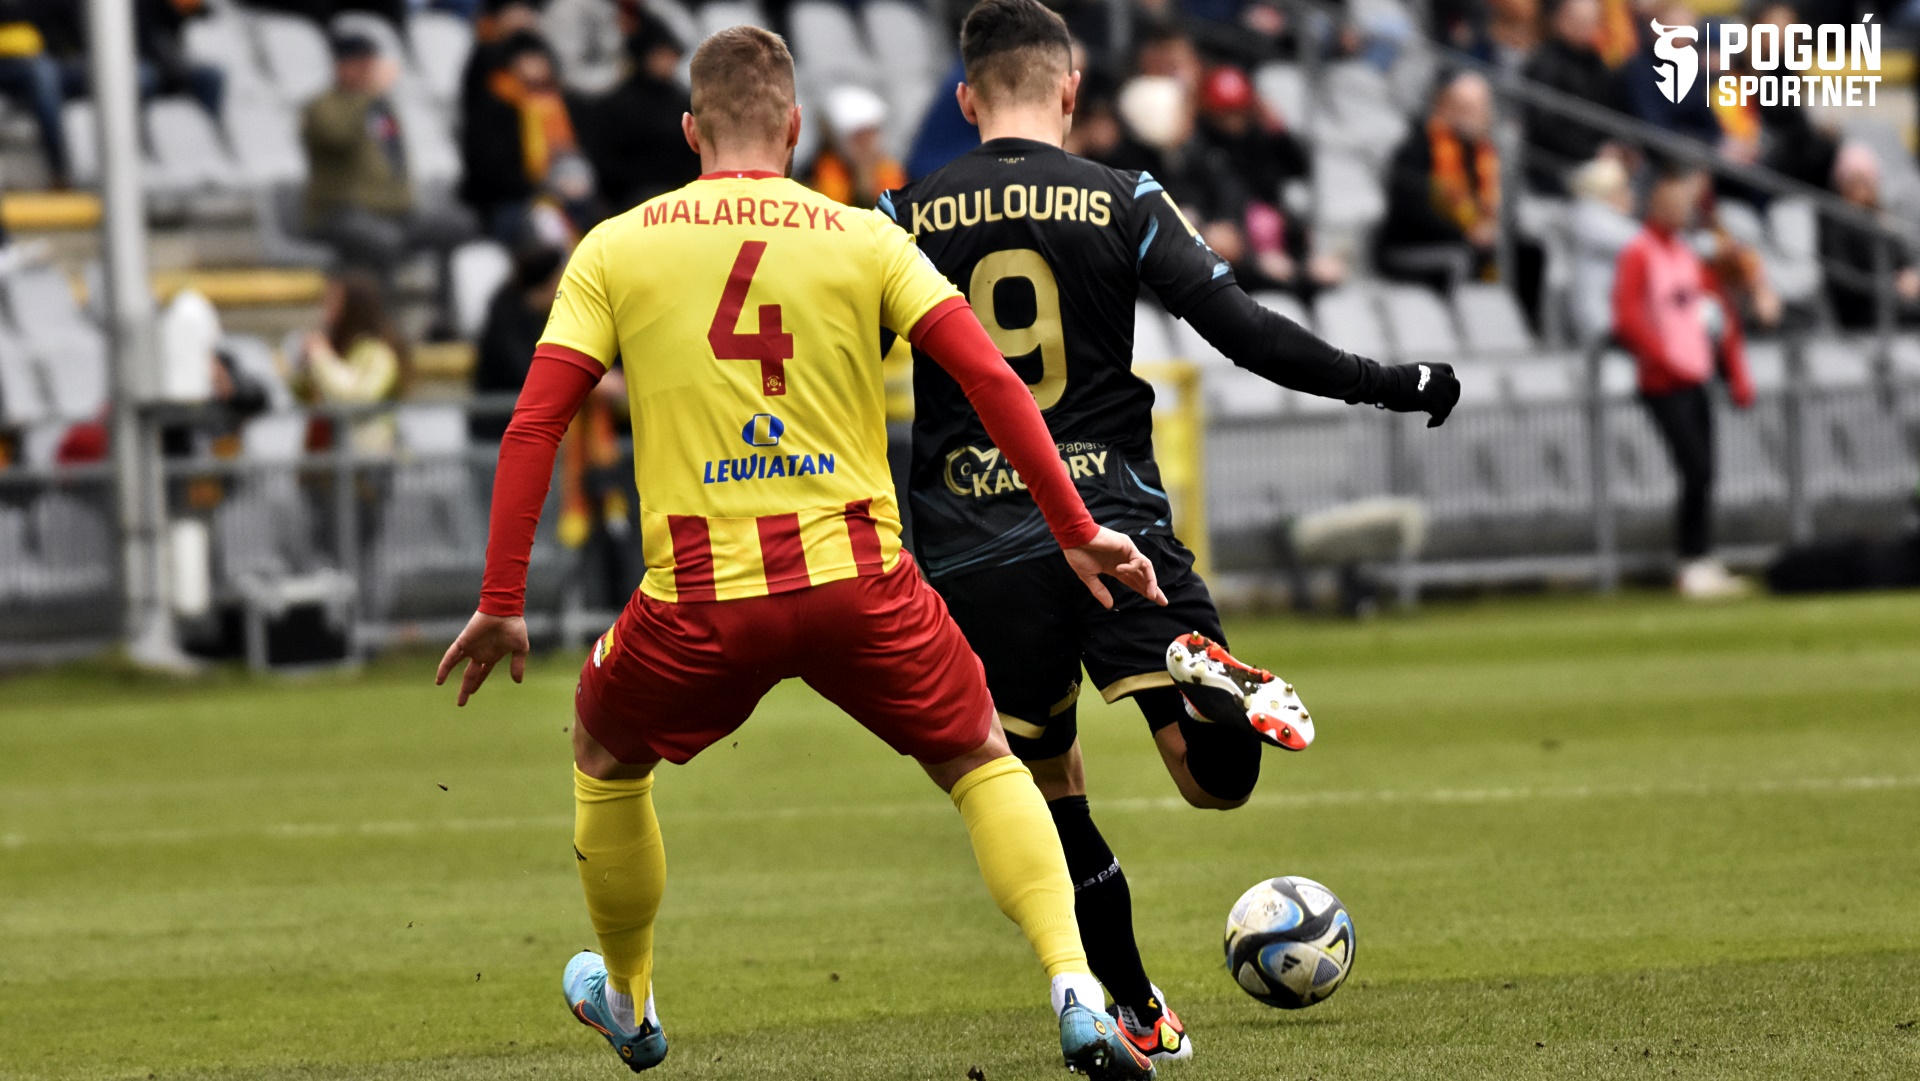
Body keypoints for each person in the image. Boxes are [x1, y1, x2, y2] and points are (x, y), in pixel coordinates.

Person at [435, 25, 1163, 1080]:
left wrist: (503, 597)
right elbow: (992, 379)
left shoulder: (617, 246)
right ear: (795, 127)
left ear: (691, 132)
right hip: (861, 584)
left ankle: (630, 1002)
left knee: (602, 754)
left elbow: (536, 423)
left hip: (701, 598)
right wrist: (1073, 525)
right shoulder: (863, 236)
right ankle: (1076, 990)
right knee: (982, 762)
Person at [883, 0, 1461, 1063]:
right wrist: (1393, 381)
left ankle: (1138, 1007)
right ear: (1070, 90)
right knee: (1214, 782)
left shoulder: (898, 215)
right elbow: (1247, 334)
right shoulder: (1124, 196)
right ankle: (1203, 685)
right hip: (1115, 527)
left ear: (965, 100)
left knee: (1051, 793)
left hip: (976, 543)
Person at [1611, 162, 1754, 600]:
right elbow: (1627, 317)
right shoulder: (1640, 254)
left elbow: (1720, 312)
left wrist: (1735, 373)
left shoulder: (1688, 255)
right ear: (1656, 204)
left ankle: (1700, 557)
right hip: (1663, 381)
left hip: (1695, 375)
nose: (1681, 211)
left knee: (1705, 470)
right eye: (1673, 203)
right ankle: (1690, 560)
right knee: (1694, 467)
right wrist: (1663, 358)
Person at [302, 33, 475, 316]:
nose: (369, 72)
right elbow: (335, 138)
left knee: (457, 226)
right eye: (362, 65)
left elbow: (392, 154)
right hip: (338, 212)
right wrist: (366, 95)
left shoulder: (380, 108)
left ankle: (444, 318)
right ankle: (383, 323)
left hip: (393, 212)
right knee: (384, 241)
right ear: (342, 66)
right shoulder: (322, 106)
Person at [1378, 71, 1501, 287]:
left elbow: (1489, 207)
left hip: (1464, 239)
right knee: (1465, 256)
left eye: (1480, 108)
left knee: (1526, 252)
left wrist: (1487, 230)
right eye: (1466, 108)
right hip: (1414, 244)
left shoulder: (1482, 154)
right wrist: (1466, 234)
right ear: (1445, 106)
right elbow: (1413, 212)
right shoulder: (1418, 149)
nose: (1476, 116)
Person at [579, 12, 700, 212]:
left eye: (672, 55)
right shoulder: (617, 105)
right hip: (635, 199)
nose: (669, 62)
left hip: (684, 195)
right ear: (645, 57)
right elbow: (607, 162)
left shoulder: (683, 100)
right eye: (662, 55)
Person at [293, 269, 411, 456]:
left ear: (354, 305)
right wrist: (305, 368)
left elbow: (357, 401)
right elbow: (306, 397)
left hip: (370, 459)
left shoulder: (378, 353)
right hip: (329, 456)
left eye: (334, 299)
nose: (326, 306)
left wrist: (320, 357)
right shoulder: (337, 347)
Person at [1521, 0, 1618, 194]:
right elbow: (1543, 125)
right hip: (1551, 170)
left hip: (1588, 161)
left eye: (1590, 21)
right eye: (1577, 19)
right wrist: (1591, 153)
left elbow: (1609, 114)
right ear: (1559, 19)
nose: (1584, 27)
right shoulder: (1545, 62)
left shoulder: (1596, 64)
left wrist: (1611, 145)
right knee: (1610, 179)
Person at [1819, 142, 1920, 329]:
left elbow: (1903, 259)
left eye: (1865, 181)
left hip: (1893, 300)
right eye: (1854, 181)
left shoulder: (1881, 218)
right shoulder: (1835, 221)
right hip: (1862, 307)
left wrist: (1910, 278)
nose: (1861, 188)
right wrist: (1888, 285)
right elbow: (1843, 278)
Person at [471, 244, 566, 440]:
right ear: (548, 283)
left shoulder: (534, 313)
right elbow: (528, 372)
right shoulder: (506, 321)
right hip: (499, 431)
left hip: (523, 427)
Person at [807, 85, 907, 210]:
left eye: (872, 135)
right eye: (859, 138)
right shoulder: (824, 173)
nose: (869, 146)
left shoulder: (888, 171)